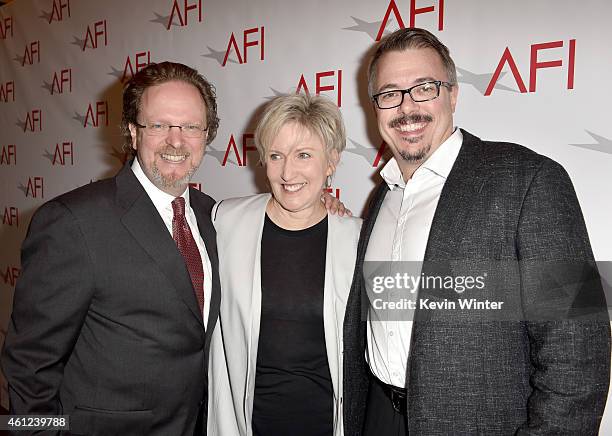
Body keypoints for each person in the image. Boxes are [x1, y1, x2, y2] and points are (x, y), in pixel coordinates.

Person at [342, 28, 611, 435]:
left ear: (452, 94)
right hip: (379, 416)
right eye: (390, 93)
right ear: (376, 107)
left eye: (423, 88)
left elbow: (577, 352)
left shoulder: (528, 180)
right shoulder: (382, 197)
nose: (406, 107)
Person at [1, 62, 222, 435]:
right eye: (159, 125)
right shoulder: (72, 222)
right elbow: (28, 366)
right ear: (133, 133)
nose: (176, 140)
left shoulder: (212, 215)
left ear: (206, 135)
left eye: (191, 126)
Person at [207, 93, 362, 436]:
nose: (287, 172)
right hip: (242, 424)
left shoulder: (358, 240)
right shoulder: (225, 220)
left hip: (325, 424)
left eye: (304, 155)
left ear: (331, 161)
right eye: (276, 155)